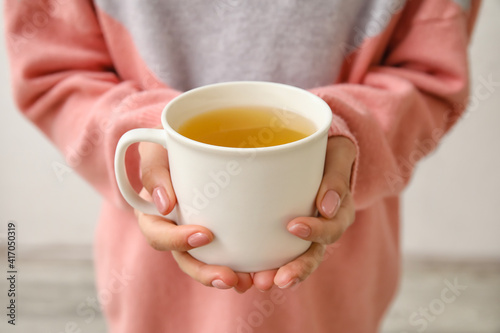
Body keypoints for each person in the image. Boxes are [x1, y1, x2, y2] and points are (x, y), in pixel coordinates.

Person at [4, 0, 480, 332]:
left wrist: (349, 137)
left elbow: (433, 76)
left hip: (338, 290)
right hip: (151, 286)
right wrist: (137, 143)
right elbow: (52, 69)